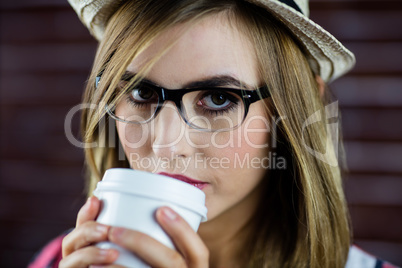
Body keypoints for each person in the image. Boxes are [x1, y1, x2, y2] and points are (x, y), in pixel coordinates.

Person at [28, 0, 399, 267]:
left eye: (219, 98)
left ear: (296, 108)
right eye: (140, 93)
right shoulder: (58, 260)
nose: (167, 145)